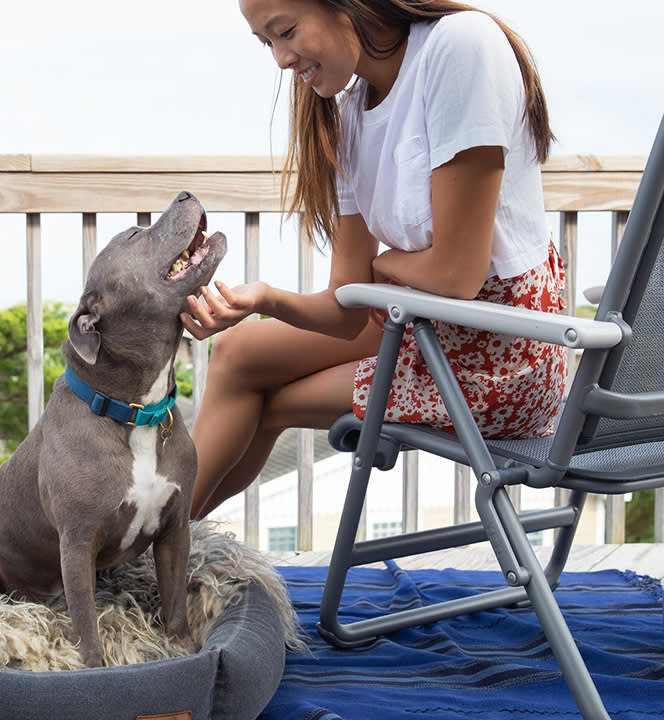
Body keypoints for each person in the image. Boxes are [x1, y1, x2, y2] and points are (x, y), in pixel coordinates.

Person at [184, 0, 566, 520]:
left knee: (264, 403)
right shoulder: (347, 117)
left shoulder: (460, 45)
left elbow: (457, 274)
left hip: (502, 353)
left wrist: (386, 268)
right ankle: (155, 553)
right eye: (266, 43)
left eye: (286, 31)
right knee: (238, 352)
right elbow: (346, 311)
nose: (279, 59)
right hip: (417, 324)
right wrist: (264, 298)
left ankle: (150, 554)